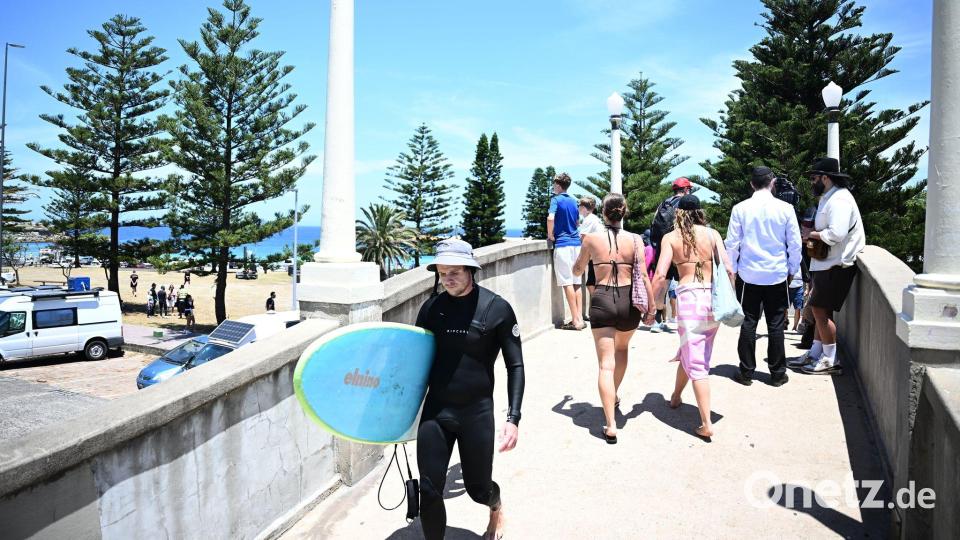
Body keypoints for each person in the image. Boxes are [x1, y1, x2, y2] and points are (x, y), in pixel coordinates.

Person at [414, 239, 525, 540]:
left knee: (478, 489)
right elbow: (413, 362)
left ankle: (495, 506)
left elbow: (515, 366)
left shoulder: (496, 308)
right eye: (442, 272)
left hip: (475, 412)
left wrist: (513, 418)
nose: (448, 278)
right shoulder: (431, 309)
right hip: (436, 410)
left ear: (471, 271)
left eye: (455, 272)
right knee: (429, 488)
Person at [572, 193, 655, 444]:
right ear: (624, 211)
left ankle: (610, 425)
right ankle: (615, 394)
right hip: (629, 302)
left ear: (604, 213)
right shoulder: (635, 239)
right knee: (622, 349)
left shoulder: (591, 239)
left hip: (602, 300)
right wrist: (651, 308)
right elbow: (643, 276)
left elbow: (577, 270)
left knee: (605, 365)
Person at [653, 195, 734, 440]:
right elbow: (729, 269)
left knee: (696, 360)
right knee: (691, 350)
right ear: (700, 211)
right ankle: (676, 396)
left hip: (689, 300)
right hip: (712, 299)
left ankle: (706, 423)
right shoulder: (712, 234)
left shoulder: (670, 238)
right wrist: (728, 295)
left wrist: (654, 305)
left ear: (678, 214)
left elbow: (660, 274)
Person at [725, 166, 802, 387]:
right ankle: (777, 374)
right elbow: (795, 244)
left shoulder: (740, 208)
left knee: (748, 323)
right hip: (777, 274)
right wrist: (792, 270)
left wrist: (734, 271)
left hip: (748, 275)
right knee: (776, 324)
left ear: (751, 184)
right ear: (772, 182)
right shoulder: (786, 208)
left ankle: (746, 372)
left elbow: (732, 244)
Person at [795, 157, 866, 375]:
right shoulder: (830, 197)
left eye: (814, 178)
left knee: (818, 310)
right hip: (826, 263)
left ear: (826, 178)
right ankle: (816, 353)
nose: (811, 182)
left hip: (837, 264)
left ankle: (830, 359)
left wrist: (810, 234)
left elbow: (837, 233)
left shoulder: (840, 200)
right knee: (820, 312)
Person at [649, 177, 693, 332]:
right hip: (681, 249)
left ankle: (656, 321)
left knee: (663, 283)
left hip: (663, 249)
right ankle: (686, 320)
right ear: (687, 189)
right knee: (686, 283)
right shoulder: (687, 203)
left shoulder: (663, 204)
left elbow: (653, 227)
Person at [547, 172, 584, 330]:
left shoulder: (556, 200)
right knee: (576, 282)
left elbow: (550, 218)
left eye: (554, 184)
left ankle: (575, 320)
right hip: (577, 245)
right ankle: (580, 318)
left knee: (567, 282)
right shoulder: (574, 201)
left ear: (558, 185)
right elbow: (577, 222)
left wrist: (550, 235)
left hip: (562, 245)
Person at [578, 196, 605, 294]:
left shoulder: (588, 219)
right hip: (600, 253)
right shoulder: (594, 218)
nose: (578, 208)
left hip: (595, 255)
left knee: (591, 283)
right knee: (594, 282)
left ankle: (595, 305)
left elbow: (583, 238)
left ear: (584, 208)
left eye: (579, 206)